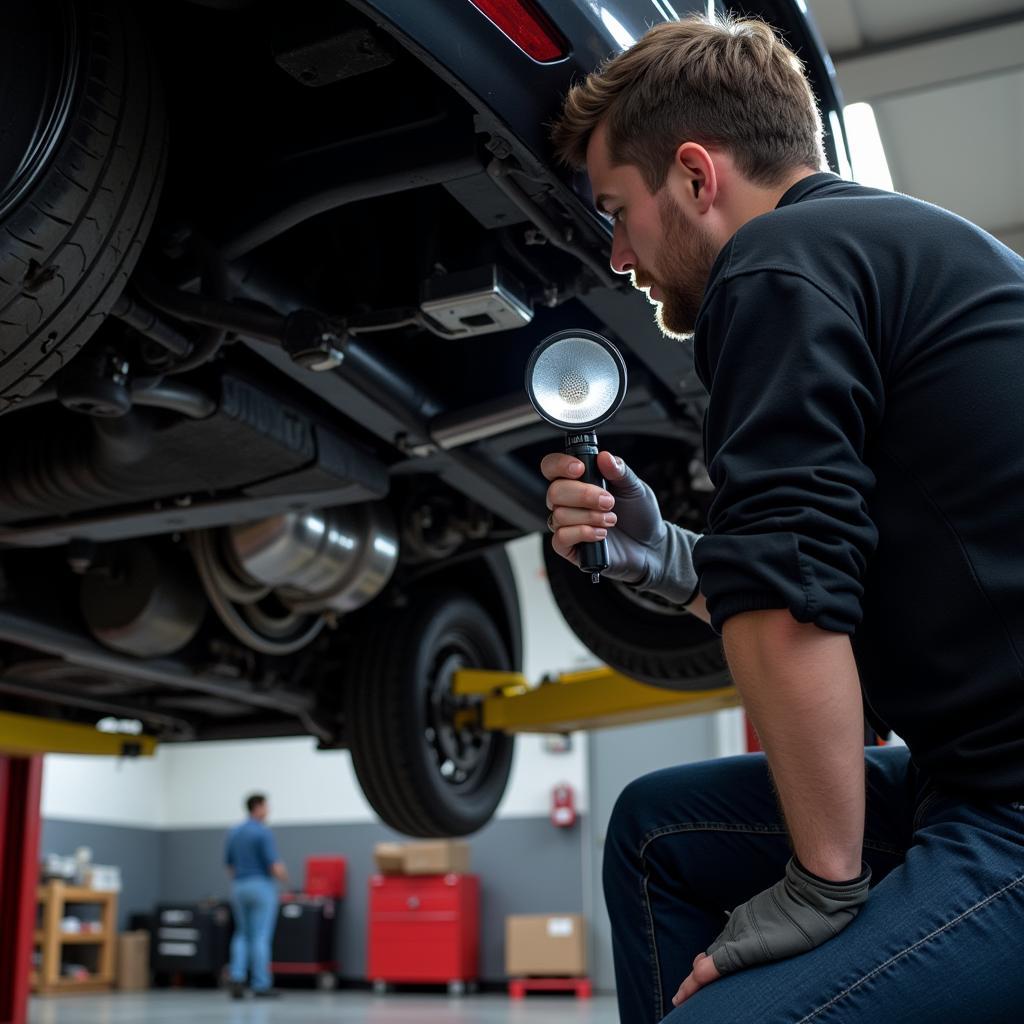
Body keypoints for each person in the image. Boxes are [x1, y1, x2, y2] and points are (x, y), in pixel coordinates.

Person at [542, 14, 1024, 1023]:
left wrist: (822, 880)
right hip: (968, 776)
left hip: (1008, 804)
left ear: (693, 175)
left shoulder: (774, 263)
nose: (618, 253)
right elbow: (826, 557)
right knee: (654, 830)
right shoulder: (881, 245)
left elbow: (790, 594)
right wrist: (670, 557)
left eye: (618, 211)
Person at [224, 792, 287, 999]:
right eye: (267, 806)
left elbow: (230, 866)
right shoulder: (262, 832)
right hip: (261, 886)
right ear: (257, 807)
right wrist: (286, 879)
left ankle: (237, 977)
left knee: (242, 934)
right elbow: (274, 866)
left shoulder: (234, 832)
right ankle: (261, 984)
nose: (269, 810)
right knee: (260, 936)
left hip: (239, 886)